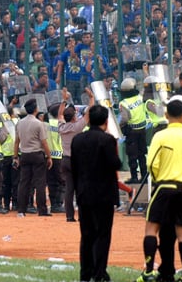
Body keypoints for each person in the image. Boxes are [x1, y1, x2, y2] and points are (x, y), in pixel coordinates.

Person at [136, 99, 182, 282]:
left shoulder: (160, 136)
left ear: (166, 115)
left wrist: (161, 177)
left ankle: (148, 272)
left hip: (165, 186)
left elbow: (151, 163)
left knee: (151, 228)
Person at [71, 105, 122, 282]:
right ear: (106, 122)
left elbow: (74, 168)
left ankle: (85, 273)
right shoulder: (107, 140)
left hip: (84, 193)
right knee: (103, 234)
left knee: (86, 235)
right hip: (103, 194)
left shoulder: (77, 139)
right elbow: (115, 164)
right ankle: (99, 272)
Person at [59, 87, 95, 222]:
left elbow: (60, 115)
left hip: (65, 160)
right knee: (81, 189)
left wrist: (63, 100)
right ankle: (82, 215)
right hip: (78, 161)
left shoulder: (61, 127)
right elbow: (88, 114)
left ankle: (69, 216)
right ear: (74, 116)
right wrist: (91, 98)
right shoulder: (77, 127)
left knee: (69, 189)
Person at [13, 98, 52, 217]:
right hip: (37, 154)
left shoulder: (20, 123)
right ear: (36, 109)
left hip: (24, 155)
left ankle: (21, 210)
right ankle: (42, 210)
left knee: (24, 182)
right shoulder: (38, 123)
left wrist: (15, 157)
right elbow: (44, 142)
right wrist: (49, 156)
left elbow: (16, 142)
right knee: (40, 183)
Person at [119, 77, 148, 183]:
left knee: (132, 156)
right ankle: (144, 176)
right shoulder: (140, 97)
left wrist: (120, 126)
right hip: (142, 129)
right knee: (141, 155)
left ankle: (134, 177)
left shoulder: (124, 103)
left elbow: (125, 118)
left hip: (132, 131)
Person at [47, 103, 65, 213]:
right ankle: (58, 203)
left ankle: (53, 203)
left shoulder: (46, 123)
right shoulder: (61, 123)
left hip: (48, 156)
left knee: (51, 181)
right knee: (62, 181)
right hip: (59, 154)